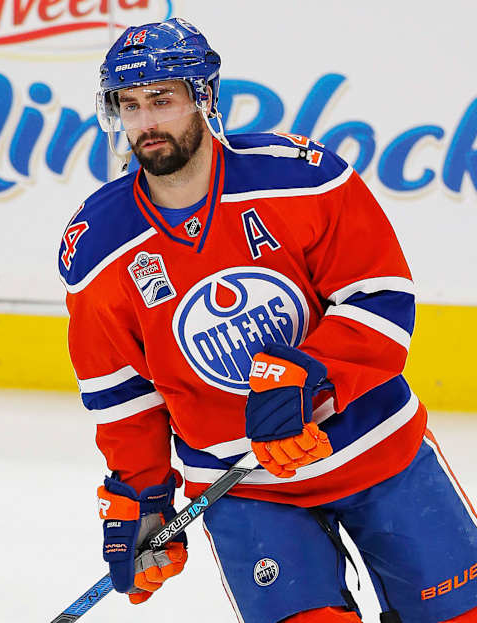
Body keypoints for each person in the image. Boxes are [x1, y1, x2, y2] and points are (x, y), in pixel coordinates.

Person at [58, 17, 477, 623]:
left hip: (377, 452)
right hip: (245, 492)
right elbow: (122, 393)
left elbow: (381, 298)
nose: (146, 121)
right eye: (129, 104)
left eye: (162, 99)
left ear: (205, 96)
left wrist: (310, 373)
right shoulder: (98, 247)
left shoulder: (302, 178)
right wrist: (141, 497)